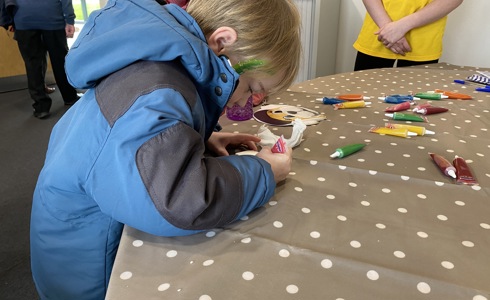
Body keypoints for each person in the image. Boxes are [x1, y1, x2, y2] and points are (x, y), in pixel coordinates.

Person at [30, 0, 301, 298]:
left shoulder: (161, 65)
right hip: (89, 270)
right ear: (222, 42)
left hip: (80, 238)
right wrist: (264, 172)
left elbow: (137, 140)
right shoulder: (156, 93)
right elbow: (180, 201)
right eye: (250, 87)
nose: (248, 102)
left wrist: (201, 139)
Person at [12, 0, 80, 119]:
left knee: (32, 63)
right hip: (51, 16)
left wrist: (8, 19)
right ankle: (70, 97)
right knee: (60, 60)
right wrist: (69, 19)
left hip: (23, 17)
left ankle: (41, 108)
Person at [353, 0, 464, 71]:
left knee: (414, 104)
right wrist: (387, 27)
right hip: (379, 34)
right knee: (363, 100)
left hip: (422, 41)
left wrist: (401, 26)